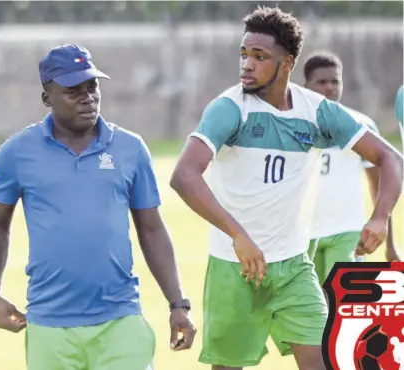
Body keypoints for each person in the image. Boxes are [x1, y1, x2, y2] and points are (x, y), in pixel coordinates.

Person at [169, 6, 403, 370]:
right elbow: (183, 176)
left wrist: (380, 217)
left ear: (287, 63)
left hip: (293, 266)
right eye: (244, 54)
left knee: (321, 360)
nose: (247, 64)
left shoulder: (316, 111)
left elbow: (390, 158)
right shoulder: (229, 109)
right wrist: (237, 234)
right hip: (236, 267)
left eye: (260, 57)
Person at [0, 44, 196, 370]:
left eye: (92, 86)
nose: (88, 97)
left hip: (120, 320)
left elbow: (152, 229)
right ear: (47, 98)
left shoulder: (130, 149)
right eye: (73, 91)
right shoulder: (16, 153)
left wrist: (178, 304)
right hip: (49, 324)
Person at [303, 51, 401, 284]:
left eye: (335, 81)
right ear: (305, 85)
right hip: (302, 237)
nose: (329, 87)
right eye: (322, 82)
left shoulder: (361, 126)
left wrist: (391, 244)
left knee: (345, 310)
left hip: (347, 233)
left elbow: (378, 189)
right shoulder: (291, 127)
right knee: (312, 315)